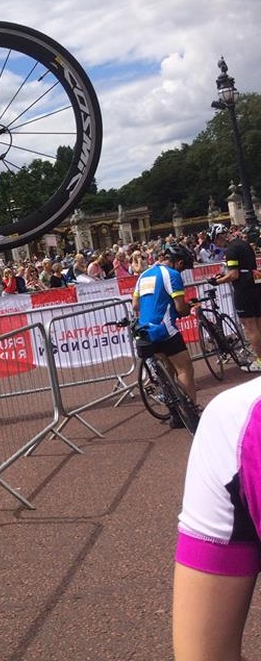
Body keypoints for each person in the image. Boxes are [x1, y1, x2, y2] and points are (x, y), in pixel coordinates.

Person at [172, 378, 261, 660]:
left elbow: (202, 655)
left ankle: (178, 410)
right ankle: (185, 402)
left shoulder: (235, 418)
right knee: (182, 363)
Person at [132, 243, 199, 429]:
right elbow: (180, 308)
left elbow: (136, 305)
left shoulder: (144, 275)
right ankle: (192, 413)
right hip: (165, 329)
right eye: (183, 266)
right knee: (184, 369)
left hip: (145, 330)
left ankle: (175, 413)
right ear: (178, 263)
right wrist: (188, 307)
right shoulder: (172, 275)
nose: (183, 271)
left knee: (167, 371)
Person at [209, 225, 261, 372]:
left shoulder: (231, 250)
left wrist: (216, 281)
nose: (216, 245)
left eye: (215, 241)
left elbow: (234, 275)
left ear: (220, 237)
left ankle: (260, 361)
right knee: (258, 324)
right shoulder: (243, 244)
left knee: (250, 327)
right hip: (255, 283)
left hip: (244, 288)